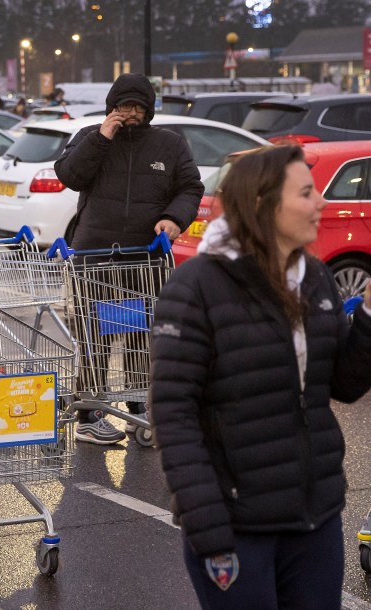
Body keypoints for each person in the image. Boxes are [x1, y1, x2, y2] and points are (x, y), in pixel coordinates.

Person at [150, 145, 371, 609]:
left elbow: (344, 385)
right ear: (261, 204)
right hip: (235, 527)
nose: (322, 204)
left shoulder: (313, 275)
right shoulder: (197, 288)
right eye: (307, 193)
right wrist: (207, 527)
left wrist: (369, 317)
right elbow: (174, 414)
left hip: (315, 519)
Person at [53, 72, 202, 444]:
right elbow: (68, 175)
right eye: (123, 106)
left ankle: (138, 406)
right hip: (95, 255)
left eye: (138, 106)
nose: (131, 113)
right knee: (94, 336)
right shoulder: (92, 136)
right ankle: (89, 412)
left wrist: (174, 219)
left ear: (149, 109)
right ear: (111, 107)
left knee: (140, 334)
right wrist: (102, 137)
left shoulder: (169, 144)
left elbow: (190, 186)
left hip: (145, 256)